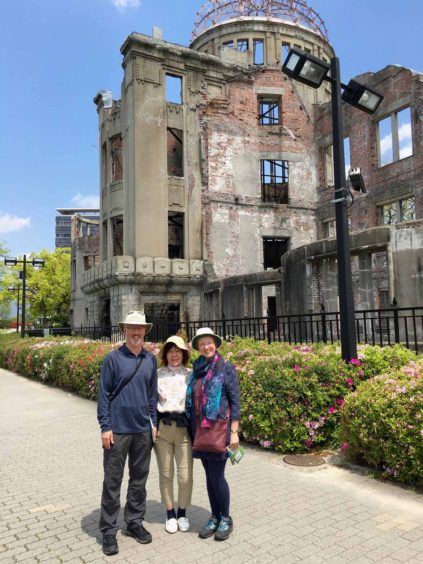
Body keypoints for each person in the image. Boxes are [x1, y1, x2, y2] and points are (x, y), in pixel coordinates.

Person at [97, 311, 158, 556]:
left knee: (139, 480)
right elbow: (103, 395)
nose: (136, 332)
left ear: (145, 331)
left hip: (143, 430)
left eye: (140, 328)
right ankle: (109, 531)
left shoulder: (150, 359)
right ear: (124, 330)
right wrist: (105, 426)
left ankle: (134, 522)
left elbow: (152, 394)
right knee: (112, 481)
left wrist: (153, 422)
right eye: (132, 328)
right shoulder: (113, 359)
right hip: (118, 430)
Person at [186, 327, 241, 542]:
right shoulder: (197, 368)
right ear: (198, 348)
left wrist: (234, 433)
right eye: (202, 344)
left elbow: (235, 402)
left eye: (209, 343)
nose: (206, 347)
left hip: (220, 430)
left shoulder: (225, 367)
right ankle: (214, 516)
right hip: (200, 430)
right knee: (209, 476)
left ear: (215, 344)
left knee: (217, 476)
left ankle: (225, 517)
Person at [154, 336, 193, 534]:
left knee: (185, 476)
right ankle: (170, 514)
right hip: (163, 428)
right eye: (171, 351)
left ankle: (182, 513)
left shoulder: (191, 375)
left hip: (184, 430)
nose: (175, 355)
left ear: (183, 354)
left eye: (178, 351)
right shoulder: (157, 374)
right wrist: (153, 425)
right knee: (166, 474)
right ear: (165, 354)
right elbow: (150, 402)